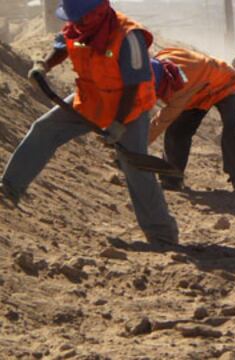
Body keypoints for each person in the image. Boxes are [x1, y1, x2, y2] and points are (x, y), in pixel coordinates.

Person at [0, 0, 179, 244]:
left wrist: (118, 125)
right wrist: (44, 65)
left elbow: (132, 85)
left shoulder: (128, 36)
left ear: (98, 12)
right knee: (45, 129)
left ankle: (162, 234)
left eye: (81, 18)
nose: (77, 24)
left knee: (134, 168)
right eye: (73, 19)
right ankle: (9, 188)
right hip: (91, 100)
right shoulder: (78, 27)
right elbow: (64, 46)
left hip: (128, 108)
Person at [148, 48, 235, 192]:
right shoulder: (159, 60)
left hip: (227, 84)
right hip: (200, 91)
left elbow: (162, 121)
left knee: (231, 127)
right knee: (178, 130)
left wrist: (138, 145)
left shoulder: (181, 86)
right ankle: (171, 178)